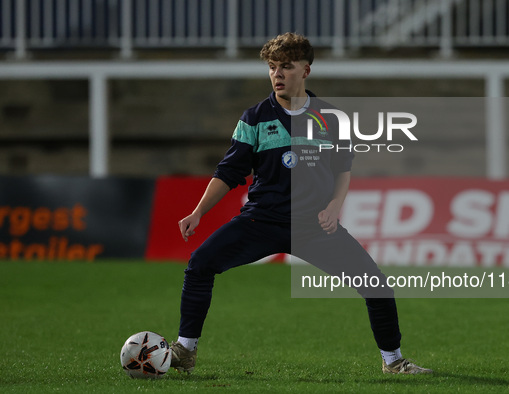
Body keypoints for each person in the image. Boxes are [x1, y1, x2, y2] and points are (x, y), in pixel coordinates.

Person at [170, 32, 432, 376]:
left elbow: (343, 170)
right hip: (260, 221)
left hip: (314, 227)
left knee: (377, 287)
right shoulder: (254, 118)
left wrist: (335, 206)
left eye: (286, 67)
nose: (277, 74)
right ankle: (184, 352)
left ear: (306, 70)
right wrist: (198, 211)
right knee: (200, 264)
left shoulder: (331, 118)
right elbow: (229, 171)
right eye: (272, 67)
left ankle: (394, 361)